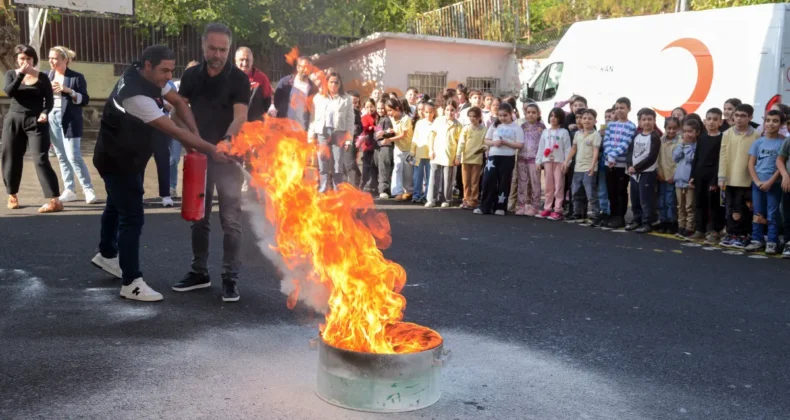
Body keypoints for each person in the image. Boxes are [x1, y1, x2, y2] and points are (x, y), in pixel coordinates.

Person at [90, 45, 228, 302]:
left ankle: (107, 254)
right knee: (132, 217)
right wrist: (210, 149)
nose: (169, 76)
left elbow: (178, 102)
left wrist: (196, 135)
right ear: (148, 66)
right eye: (164, 70)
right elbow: (173, 130)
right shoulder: (135, 96)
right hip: (118, 161)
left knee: (115, 204)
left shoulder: (145, 76)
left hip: (124, 156)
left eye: (171, 70)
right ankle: (131, 282)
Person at [171, 23, 251, 302]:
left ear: (229, 49)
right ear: (203, 45)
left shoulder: (239, 79)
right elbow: (178, 111)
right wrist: (189, 140)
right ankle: (199, 272)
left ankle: (230, 278)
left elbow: (240, 116)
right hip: (200, 159)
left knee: (231, 221)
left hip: (229, 158)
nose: (217, 54)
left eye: (223, 50)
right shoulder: (191, 75)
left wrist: (227, 140)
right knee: (198, 218)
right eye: (213, 48)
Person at [2, 44, 62, 213]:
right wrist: (21, 74)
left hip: (36, 121)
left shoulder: (42, 77)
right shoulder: (11, 74)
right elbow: (9, 92)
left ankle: (55, 200)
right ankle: (12, 194)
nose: (26, 62)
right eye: (22, 58)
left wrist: (45, 112)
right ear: (16, 60)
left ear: (33, 59)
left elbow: (49, 101)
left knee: (40, 159)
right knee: (11, 157)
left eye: (29, 58)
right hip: (14, 120)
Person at [46, 46, 96, 205]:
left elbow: (85, 99)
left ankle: (88, 189)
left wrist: (68, 90)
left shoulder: (76, 77)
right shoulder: (47, 76)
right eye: (50, 58)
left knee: (73, 156)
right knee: (61, 156)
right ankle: (69, 190)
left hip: (69, 119)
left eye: (55, 58)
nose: (51, 61)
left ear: (65, 60)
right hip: (51, 117)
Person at [718, 103, 760, 249]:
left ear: (750, 117)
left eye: (743, 116)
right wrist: (721, 176)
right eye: (737, 115)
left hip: (747, 178)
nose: (739, 119)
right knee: (730, 207)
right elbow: (723, 155)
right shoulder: (727, 134)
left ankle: (743, 235)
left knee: (743, 207)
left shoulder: (756, 135)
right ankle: (731, 233)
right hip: (729, 178)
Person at [744, 109, 785, 254]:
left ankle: (772, 241)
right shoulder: (758, 142)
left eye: (775, 121)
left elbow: (781, 165)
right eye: (768, 120)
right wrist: (757, 181)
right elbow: (751, 164)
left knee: (772, 212)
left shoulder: (782, 142)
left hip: (774, 184)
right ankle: (757, 239)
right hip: (758, 184)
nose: (770, 124)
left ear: (781, 124)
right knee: (758, 212)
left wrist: (770, 182)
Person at [308, 72, 355, 193]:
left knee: (337, 164)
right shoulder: (318, 98)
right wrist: (311, 135)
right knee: (322, 162)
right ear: (326, 83)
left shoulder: (346, 99)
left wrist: (349, 139)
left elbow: (350, 120)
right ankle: (323, 189)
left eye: (336, 82)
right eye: (331, 82)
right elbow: (313, 118)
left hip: (339, 133)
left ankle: (337, 191)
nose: (334, 84)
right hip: (322, 133)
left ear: (340, 84)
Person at [474, 102, 524, 215]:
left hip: (507, 158)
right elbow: (486, 140)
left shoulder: (516, 128)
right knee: (488, 181)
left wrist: (507, 143)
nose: (502, 118)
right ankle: (485, 206)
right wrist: (494, 143)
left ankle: (500, 206)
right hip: (493, 156)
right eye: (500, 115)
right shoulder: (494, 125)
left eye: (505, 115)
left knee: (504, 182)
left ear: (511, 114)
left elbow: (520, 144)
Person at [689, 108, 726, 242]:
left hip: (713, 176)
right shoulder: (702, 138)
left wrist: (715, 180)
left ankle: (714, 230)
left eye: (715, 119)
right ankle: (700, 229)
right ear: (704, 121)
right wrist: (692, 176)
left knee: (713, 205)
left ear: (720, 122)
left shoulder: (722, 138)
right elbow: (696, 157)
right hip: (700, 175)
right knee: (700, 203)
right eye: (709, 119)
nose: (711, 122)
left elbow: (721, 160)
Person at [625, 108, 662, 233]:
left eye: (650, 119)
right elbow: (630, 152)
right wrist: (629, 165)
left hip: (647, 173)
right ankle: (637, 220)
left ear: (654, 121)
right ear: (639, 122)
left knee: (646, 199)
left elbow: (652, 157)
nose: (647, 122)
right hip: (634, 173)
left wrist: (636, 168)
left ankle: (648, 222)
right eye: (644, 119)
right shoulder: (637, 135)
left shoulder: (654, 136)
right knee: (635, 198)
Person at [603, 97, 637, 229]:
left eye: (622, 108)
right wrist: (609, 156)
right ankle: (613, 215)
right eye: (617, 108)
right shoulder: (611, 125)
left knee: (620, 191)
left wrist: (613, 155)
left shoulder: (631, 126)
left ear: (629, 109)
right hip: (609, 163)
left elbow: (625, 144)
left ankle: (620, 216)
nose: (619, 110)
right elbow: (606, 141)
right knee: (611, 190)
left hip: (621, 165)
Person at [563, 108, 601, 225]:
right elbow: (574, 148)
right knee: (576, 192)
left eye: (590, 119)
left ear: (595, 121)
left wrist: (593, 166)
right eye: (584, 118)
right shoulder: (577, 134)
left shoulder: (596, 135)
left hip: (589, 168)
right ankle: (578, 213)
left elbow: (596, 151)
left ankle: (595, 215)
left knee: (591, 194)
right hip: (578, 168)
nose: (586, 120)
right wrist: (566, 161)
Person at [169, 60, 200, 198]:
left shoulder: (202, 89)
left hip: (193, 130)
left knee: (195, 158)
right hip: (176, 127)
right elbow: (171, 107)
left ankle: (195, 188)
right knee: (173, 159)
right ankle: (172, 187)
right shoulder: (176, 86)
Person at [535, 107, 572, 220]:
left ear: (561, 118)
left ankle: (558, 210)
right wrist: (538, 161)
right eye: (551, 116)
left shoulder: (564, 132)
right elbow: (541, 147)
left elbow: (567, 149)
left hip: (559, 162)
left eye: (556, 116)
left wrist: (567, 162)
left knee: (559, 186)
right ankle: (547, 208)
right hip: (547, 162)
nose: (553, 118)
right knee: (548, 186)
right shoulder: (545, 132)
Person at [426, 100, 462, 208]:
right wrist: (431, 150)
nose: (449, 112)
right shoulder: (438, 121)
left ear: (456, 111)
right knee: (434, 177)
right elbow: (432, 135)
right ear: (444, 110)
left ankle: (446, 199)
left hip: (450, 155)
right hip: (437, 153)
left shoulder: (458, 125)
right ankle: (432, 199)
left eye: (452, 110)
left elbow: (460, 143)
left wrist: (458, 156)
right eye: (447, 110)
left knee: (448, 179)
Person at [268, 56, 319, 130]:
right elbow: (277, 102)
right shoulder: (285, 82)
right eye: (304, 67)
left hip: (301, 129)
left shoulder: (313, 89)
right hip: (284, 128)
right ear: (298, 67)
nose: (306, 70)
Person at [516, 102, 545, 216]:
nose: (531, 115)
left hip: (535, 159)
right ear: (525, 113)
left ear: (538, 114)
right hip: (522, 157)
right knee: (522, 182)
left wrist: (541, 159)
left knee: (535, 182)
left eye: (533, 112)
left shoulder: (541, 127)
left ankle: (535, 206)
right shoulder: (522, 127)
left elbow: (544, 143)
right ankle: (522, 205)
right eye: (528, 112)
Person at [456, 106, 486, 209]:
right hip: (465, 158)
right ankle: (466, 199)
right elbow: (461, 142)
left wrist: (479, 152)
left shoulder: (484, 129)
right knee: (466, 181)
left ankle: (473, 201)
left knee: (474, 181)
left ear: (479, 117)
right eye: (470, 116)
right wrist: (458, 155)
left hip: (477, 159)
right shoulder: (466, 128)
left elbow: (485, 144)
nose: (472, 118)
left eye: (474, 116)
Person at [673, 119, 698, 238]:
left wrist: (687, 145)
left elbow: (691, 159)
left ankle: (690, 227)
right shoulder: (681, 143)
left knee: (689, 206)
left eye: (690, 131)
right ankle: (681, 226)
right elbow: (675, 157)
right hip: (679, 180)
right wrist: (682, 145)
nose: (687, 134)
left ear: (697, 132)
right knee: (680, 206)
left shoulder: (697, 145)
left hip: (689, 182)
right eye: (685, 131)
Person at [656, 117, 681, 234]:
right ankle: (663, 221)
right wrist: (658, 172)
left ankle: (672, 222)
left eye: (674, 128)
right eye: (669, 128)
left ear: (678, 128)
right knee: (661, 200)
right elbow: (657, 158)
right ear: (665, 128)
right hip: (661, 176)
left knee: (670, 201)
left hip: (672, 177)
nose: (671, 131)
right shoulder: (660, 141)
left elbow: (680, 161)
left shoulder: (680, 142)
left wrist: (674, 175)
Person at [386, 98, 414, 201]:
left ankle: (409, 191)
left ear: (397, 108)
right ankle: (397, 192)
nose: (389, 113)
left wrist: (389, 140)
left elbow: (403, 134)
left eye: (390, 110)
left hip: (408, 149)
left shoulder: (406, 119)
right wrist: (391, 131)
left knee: (408, 172)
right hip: (398, 148)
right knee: (397, 168)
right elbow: (396, 131)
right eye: (387, 111)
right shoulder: (392, 118)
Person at [234, 46, 272, 122]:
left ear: (252, 61)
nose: (244, 63)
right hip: (233, 123)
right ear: (235, 60)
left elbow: (267, 101)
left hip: (255, 125)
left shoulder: (261, 78)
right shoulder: (229, 77)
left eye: (247, 60)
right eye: (241, 60)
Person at [410, 99, 436, 204]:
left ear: (434, 112)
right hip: (419, 154)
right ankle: (416, 194)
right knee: (417, 176)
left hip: (431, 154)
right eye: (426, 112)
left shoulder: (436, 123)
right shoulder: (419, 123)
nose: (428, 114)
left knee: (430, 176)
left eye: (430, 112)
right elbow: (415, 138)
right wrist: (412, 152)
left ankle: (427, 195)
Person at [374, 99, 395, 199]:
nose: (380, 110)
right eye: (378, 108)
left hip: (386, 146)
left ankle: (384, 190)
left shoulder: (387, 119)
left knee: (384, 169)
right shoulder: (379, 119)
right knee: (381, 168)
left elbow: (390, 132)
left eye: (382, 108)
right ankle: (383, 189)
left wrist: (384, 134)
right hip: (380, 147)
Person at [775, 131, 790, 258]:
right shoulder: (788, 140)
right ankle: (788, 242)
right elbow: (780, 159)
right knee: (787, 214)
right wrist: (785, 175)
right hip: (788, 183)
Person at [360, 99, 379, 194]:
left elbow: (379, 127)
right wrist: (373, 128)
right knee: (366, 166)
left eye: (371, 106)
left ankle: (374, 186)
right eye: (367, 107)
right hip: (367, 145)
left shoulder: (378, 116)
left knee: (374, 166)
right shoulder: (364, 117)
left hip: (376, 145)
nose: (369, 109)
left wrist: (374, 127)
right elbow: (365, 129)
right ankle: (364, 185)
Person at [345, 90, 363, 188]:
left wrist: (355, 128)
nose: (354, 104)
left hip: (351, 141)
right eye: (352, 102)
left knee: (350, 163)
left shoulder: (356, 113)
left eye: (356, 102)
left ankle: (355, 185)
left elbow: (360, 128)